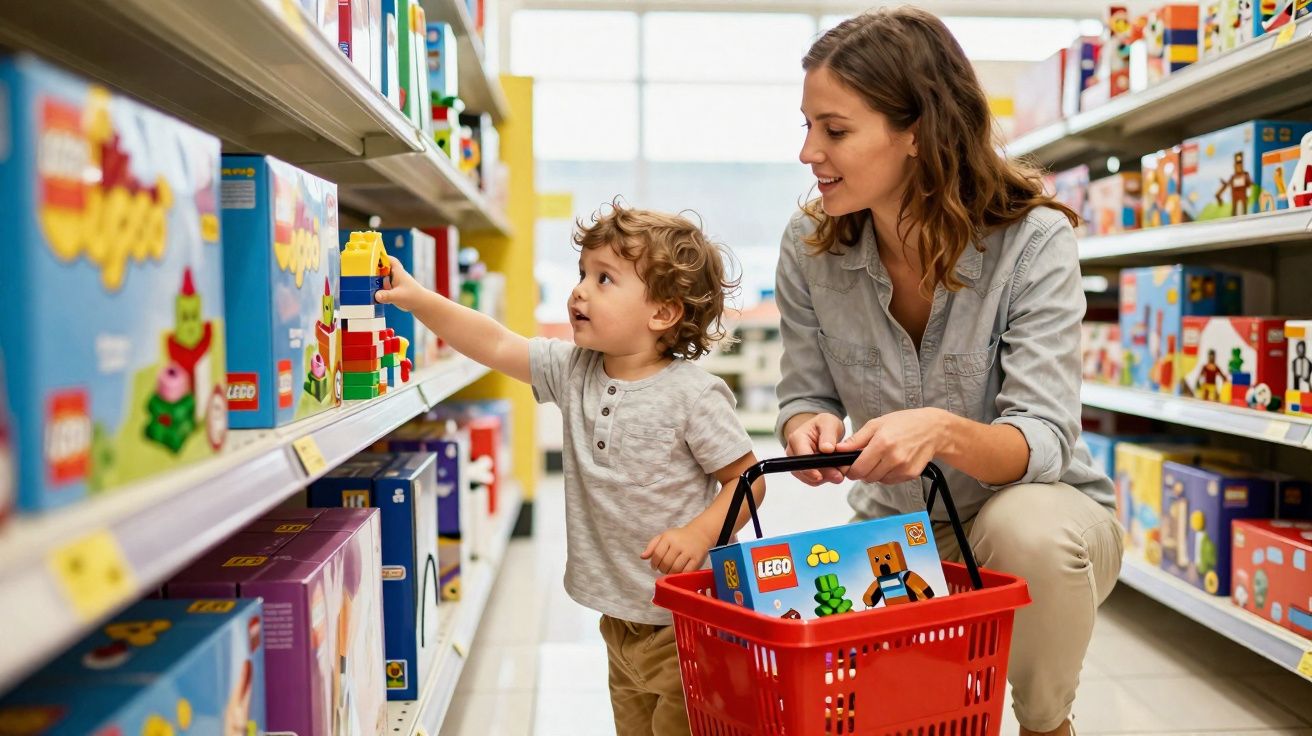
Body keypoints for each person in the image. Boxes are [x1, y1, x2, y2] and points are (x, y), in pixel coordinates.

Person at [777, 9, 1121, 736]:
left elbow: (1042, 438)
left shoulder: (1032, 242)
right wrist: (807, 424)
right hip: (898, 533)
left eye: (835, 130)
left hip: (1043, 521)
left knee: (1024, 529)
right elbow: (805, 390)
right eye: (807, 126)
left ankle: (1047, 725)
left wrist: (942, 432)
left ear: (917, 131)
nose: (809, 151)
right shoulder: (810, 248)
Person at [376, 202, 761, 736]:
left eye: (604, 279)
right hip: (619, 619)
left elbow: (748, 481)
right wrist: (420, 300)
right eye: (582, 273)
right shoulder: (573, 369)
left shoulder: (694, 395)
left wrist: (700, 532)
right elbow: (495, 342)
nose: (579, 290)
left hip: (688, 620)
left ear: (663, 313)